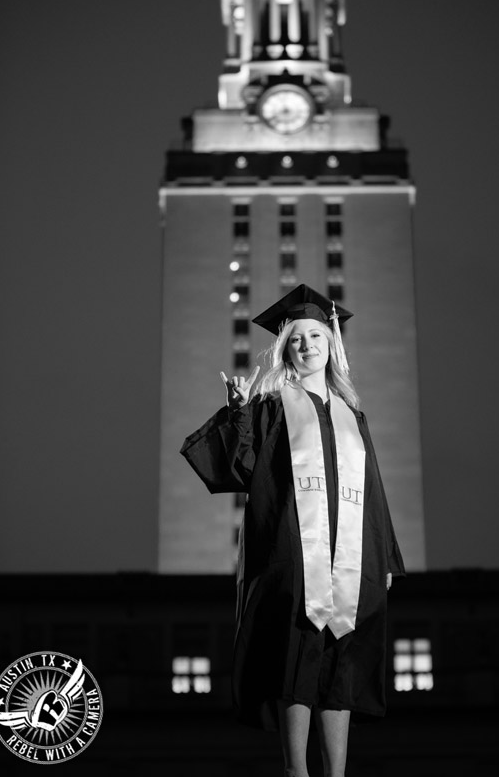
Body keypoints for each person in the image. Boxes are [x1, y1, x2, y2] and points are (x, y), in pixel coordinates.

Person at [181, 284, 405, 777]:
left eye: (315, 336)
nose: (307, 345)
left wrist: (386, 555)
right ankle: (296, 771)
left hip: (351, 557)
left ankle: (337, 772)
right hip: (293, 553)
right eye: (297, 338)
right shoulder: (271, 406)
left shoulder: (353, 415)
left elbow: (373, 488)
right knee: (295, 657)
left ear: (331, 345)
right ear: (286, 348)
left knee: (340, 659)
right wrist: (238, 411)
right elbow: (238, 470)